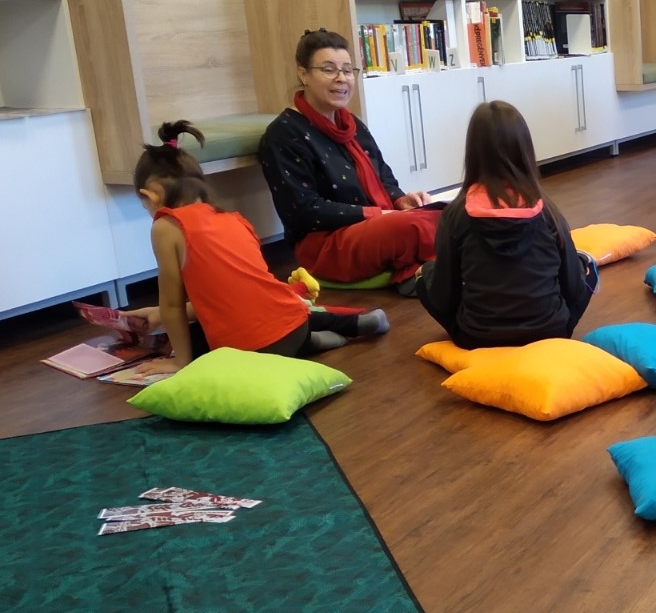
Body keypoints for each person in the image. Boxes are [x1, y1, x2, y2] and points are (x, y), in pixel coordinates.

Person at [125, 122, 388, 366]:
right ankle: (350, 324)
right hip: (292, 321)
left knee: (191, 341)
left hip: (258, 348)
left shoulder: (165, 227)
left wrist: (179, 363)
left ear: (151, 196)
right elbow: (230, 298)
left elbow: (172, 306)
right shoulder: (234, 219)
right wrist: (157, 314)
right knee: (281, 305)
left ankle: (308, 343)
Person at [258, 28, 439, 293]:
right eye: (329, 70)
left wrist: (402, 200)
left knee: (446, 213)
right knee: (411, 226)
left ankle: (425, 272)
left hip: (374, 226)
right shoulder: (283, 134)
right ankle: (428, 272)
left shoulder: (353, 125)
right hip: (324, 243)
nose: (341, 78)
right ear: (303, 74)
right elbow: (304, 211)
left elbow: (385, 178)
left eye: (347, 70)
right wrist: (376, 214)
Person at [416, 101, 596, 348]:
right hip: (551, 331)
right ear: (525, 150)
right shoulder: (548, 212)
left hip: (476, 337)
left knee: (424, 275)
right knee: (587, 266)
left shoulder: (455, 215)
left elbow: (443, 298)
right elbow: (573, 289)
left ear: (473, 153)